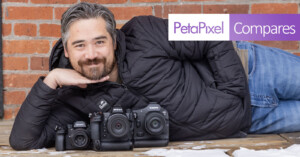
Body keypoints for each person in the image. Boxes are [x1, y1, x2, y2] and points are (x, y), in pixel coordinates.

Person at [10, 2, 299, 150]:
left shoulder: (142, 31)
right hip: (252, 120)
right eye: (80, 46)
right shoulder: (71, 98)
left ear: (113, 38)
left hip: (253, 70)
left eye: (99, 42)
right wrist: (51, 81)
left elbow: (211, 34)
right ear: (68, 51)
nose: (91, 54)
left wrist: (232, 91)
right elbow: (23, 141)